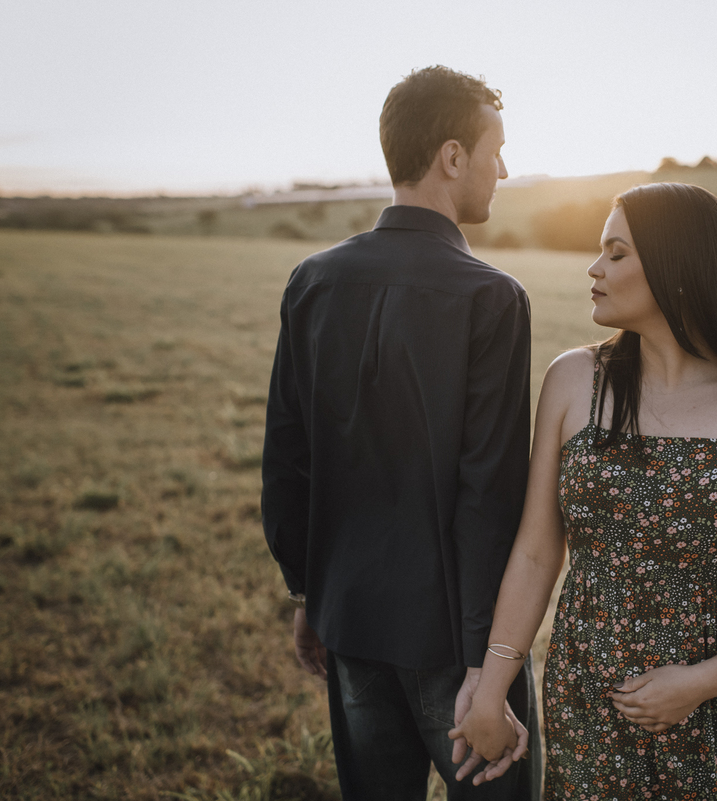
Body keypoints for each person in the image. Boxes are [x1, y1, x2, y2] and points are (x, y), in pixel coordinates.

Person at [449, 182, 717, 799]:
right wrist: (493, 690)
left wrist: (703, 682)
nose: (594, 268)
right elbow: (535, 552)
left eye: (616, 253)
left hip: (716, 710)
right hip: (587, 697)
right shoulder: (575, 379)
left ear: (675, 268)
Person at [261, 65, 540, 800]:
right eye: (496, 149)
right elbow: (488, 494)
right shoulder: (494, 299)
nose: (503, 169)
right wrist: (491, 663)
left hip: (348, 621)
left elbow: (287, 466)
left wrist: (310, 596)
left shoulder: (311, 282)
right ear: (452, 157)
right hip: (456, 641)